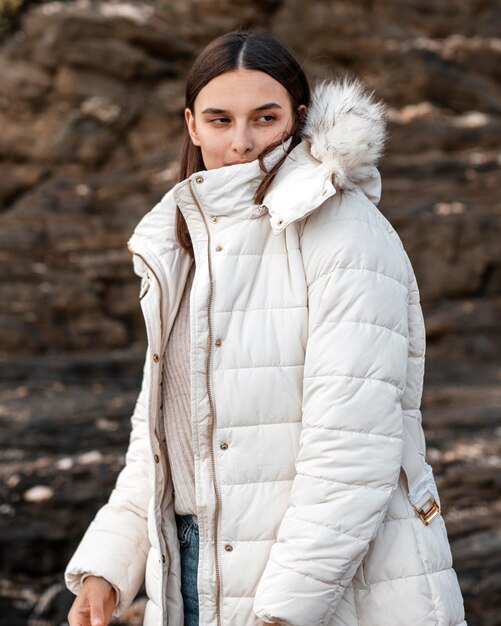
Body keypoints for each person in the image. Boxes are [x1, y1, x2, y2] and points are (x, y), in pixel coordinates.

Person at [64, 30, 467, 626]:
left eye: (265, 117)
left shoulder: (346, 235)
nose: (242, 142)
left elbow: (352, 455)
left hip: (331, 590)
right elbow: (162, 440)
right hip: (192, 571)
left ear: (298, 120)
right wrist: (108, 570)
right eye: (220, 120)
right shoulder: (180, 245)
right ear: (192, 126)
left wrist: (282, 614)